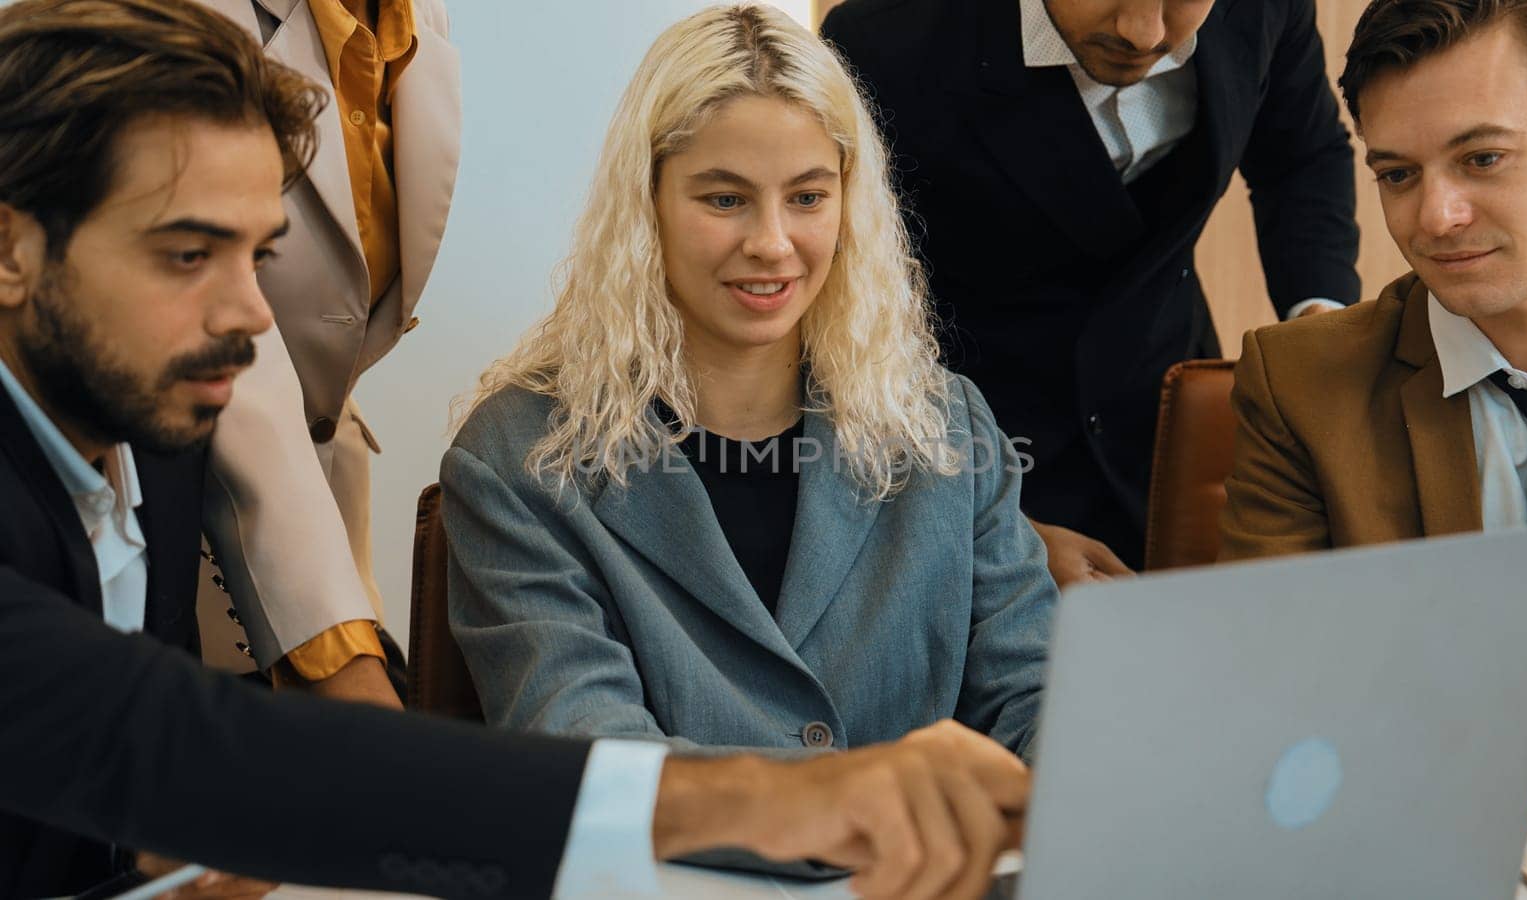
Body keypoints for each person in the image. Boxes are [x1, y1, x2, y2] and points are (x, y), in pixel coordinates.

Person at [0, 2, 1028, 898]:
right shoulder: (517, 451)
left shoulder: (156, 453)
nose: (249, 315)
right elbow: (172, 742)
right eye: (188, 254)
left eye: (259, 255)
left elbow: (128, 782)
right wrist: (789, 798)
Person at [444, 4, 1055, 764]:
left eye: (807, 197)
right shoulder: (516, 456)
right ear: (647, 206)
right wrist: (853, 802)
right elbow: (587, 752)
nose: (772, 244)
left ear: (848, 204)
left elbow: (1040, 700)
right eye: (724, 198)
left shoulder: (949, 426)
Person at [819, 0, 1361, 584]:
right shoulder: (883, 41)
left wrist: (1321, 336)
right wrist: (992, 531)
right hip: (981, 445)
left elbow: (1301, 156)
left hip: (1167, 423)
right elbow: (848, 316)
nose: (1144, 33)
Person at [1216, 0, 1527, 822]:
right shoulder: (1300, 385)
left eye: (1484, 158)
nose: (1435, 218)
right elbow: (1268, 698)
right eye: (1396, 174)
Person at [180, 0, 464, 706]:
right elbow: (216, 310)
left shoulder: (413, 16)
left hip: (325, 519)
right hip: (177, 525)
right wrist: (340, 655)